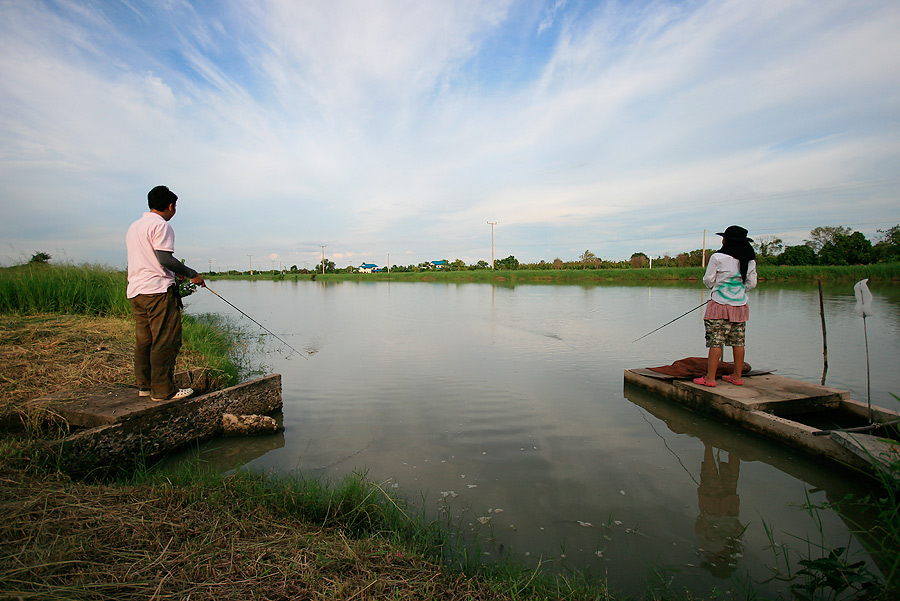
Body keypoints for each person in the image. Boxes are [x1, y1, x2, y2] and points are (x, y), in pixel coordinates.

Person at [126, 185, 205, 401]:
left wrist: (174, 273)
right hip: (158, 292)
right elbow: (164, 259)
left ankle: (145, 386)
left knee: (145, 341)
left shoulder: (135, 227)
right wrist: (191, 274)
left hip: (136, 291)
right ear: (170, 206)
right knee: (165, 340)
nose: (175, 210)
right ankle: (163, 390)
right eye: (175, 206)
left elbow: (151, 260)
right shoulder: (161, 226)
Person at [693, 225, 757, 388]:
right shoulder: (749, 259)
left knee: (715, 342)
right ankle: (737, 376)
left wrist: (718, 289)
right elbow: (751, 283)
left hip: (718, 306)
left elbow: (708, 280)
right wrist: (738, 291)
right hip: (740, 306)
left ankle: (711, 378)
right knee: (738, 341)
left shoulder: (718, 257)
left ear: (726, 240)